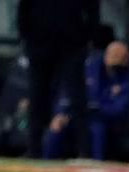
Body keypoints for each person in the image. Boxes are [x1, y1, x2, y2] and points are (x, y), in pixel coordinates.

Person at [18, 0, 96, 159]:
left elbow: (93, 11)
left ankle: (85, 152)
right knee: (37, 98)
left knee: (77, 99)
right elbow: (23, 10)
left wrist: (84, 39)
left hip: (71, 47)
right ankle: (33, 149)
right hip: (39, 47)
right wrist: (28, 39)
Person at [76, 40, 129, 161]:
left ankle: (97, 164)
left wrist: (98, 107)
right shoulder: (93, 72)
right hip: (87, 115)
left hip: (112, 121)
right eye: (112, 55)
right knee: (59, 126)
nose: (114, 60)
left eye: (119, 57)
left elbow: (119, 110)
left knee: (98, 127)